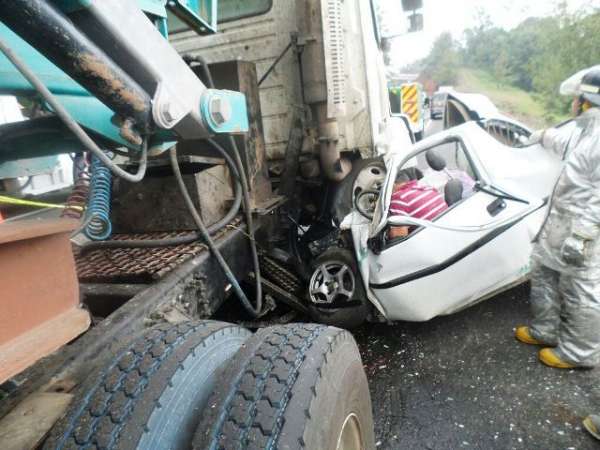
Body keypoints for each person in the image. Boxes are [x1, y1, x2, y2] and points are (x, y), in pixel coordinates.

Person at [515, 68, 600, 369]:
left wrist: (583, 236)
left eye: (577, 99)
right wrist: (542, 135)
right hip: (561, 222)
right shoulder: (586, 131)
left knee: (580, 289)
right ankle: (546, 330)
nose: (573, 104)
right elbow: (565, 144)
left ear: (588, 100)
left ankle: (580, 353)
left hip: (583, 228)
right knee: (544, 273)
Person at [388, 168, 448, 239]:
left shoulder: (398, 197)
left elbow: (399, 235)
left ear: (393, 184)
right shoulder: (428, 188)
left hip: (432, 240)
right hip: (447, 231)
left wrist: (387, 234)